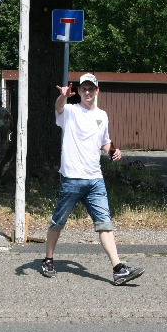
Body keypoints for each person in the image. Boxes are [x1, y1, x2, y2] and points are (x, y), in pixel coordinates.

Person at [41, 73, 145, 285]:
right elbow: (58, 107)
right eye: (83, 89)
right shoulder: (70, 111)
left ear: (97, 91)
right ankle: (48, 260)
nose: (87, 92)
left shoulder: (102, 116)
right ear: (78, 91)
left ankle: (118, 269)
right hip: (72, 178)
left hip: (95, 179)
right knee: (58, 221)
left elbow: (105, 142)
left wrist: (113, 151)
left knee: (104, 223)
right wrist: (63, 96)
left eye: (91, 89)